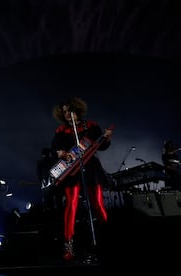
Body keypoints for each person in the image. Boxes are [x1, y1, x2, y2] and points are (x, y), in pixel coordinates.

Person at [50, 97, 112, 261]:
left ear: (76, 110)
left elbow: (103, 145)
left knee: (98, 203)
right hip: (71, 171)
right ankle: (68, 245)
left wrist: (106, 137)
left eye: (69, 110)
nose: (67, 114)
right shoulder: (61, 130)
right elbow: (55, 148)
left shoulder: (90, 126)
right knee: (71, 204)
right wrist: (60, 152)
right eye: (64, 112)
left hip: (91, 168)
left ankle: (108, 239)